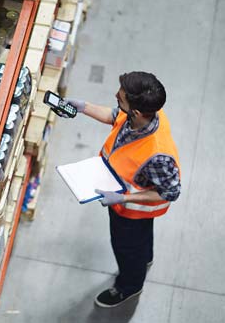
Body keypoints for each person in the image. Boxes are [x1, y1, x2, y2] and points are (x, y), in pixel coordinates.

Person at [61, 71, 181, 308]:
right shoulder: (145, 115)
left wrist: (123, 198)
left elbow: (171, 192)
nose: (116, 97)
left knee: (127, 249)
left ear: (136, 112)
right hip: (126, 205)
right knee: (141, 244)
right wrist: (83, 107)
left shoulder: (158, 155)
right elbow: (115, 116)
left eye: (121, 98)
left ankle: (130, 286)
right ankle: (145, 258)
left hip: (131, 212)